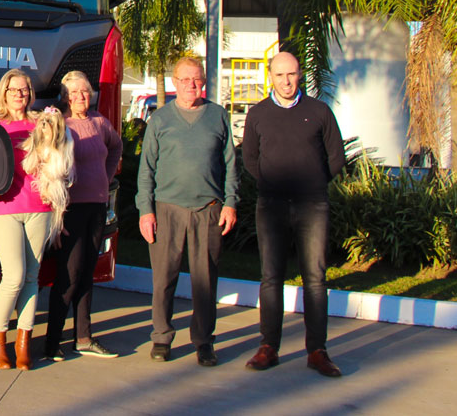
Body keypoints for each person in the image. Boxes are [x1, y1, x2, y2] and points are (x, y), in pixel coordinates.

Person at [242, 51, 345, 378]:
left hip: (312, 205)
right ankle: (268, 346)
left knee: (315, 279)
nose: (286, 81)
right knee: (271, 277)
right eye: (280, 75)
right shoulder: (258, 114)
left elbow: (336, 157)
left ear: (300, 75)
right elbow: (250, 160)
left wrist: (312, 182)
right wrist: (274, 182)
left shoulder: (319, 112)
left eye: (292, 74)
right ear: (270, 77)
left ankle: (317, 350)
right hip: (271, 205)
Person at [136, 56, 237, 367]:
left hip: (208, 210)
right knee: (163, 279)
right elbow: (146, 170)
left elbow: (231, 164)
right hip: (167, 210)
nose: (191, 85)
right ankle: (162, 338)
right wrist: (145, 210)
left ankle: (204, 341)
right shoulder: (161, 120)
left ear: (203, 82)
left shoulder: (218, 116)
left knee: (205, 281)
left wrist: (231, 202)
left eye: (197, 79)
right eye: (185, 80)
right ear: (175, 82)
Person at [0, 71, 73, 370]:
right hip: (6, 207)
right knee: (13, 276)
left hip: (40, 206)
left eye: (24, 89)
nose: (19, 94)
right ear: (4, 92)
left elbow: (61, 155)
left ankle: (23, 344)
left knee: (32, 277)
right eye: (13, 89)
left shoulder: (41, 122)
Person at [44, 70, 122, 360]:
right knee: (69, 276)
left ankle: (84, 337)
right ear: (65, 97)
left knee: (87, 273)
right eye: (73, 93)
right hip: (71, 210)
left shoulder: (100, 123)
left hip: (97, 207)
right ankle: (52, 342)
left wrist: (105, 175)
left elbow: (116, 148)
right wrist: (58, 213)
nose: (80, 97)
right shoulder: (60, 125)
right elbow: (49, 169)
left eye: (85, 92)